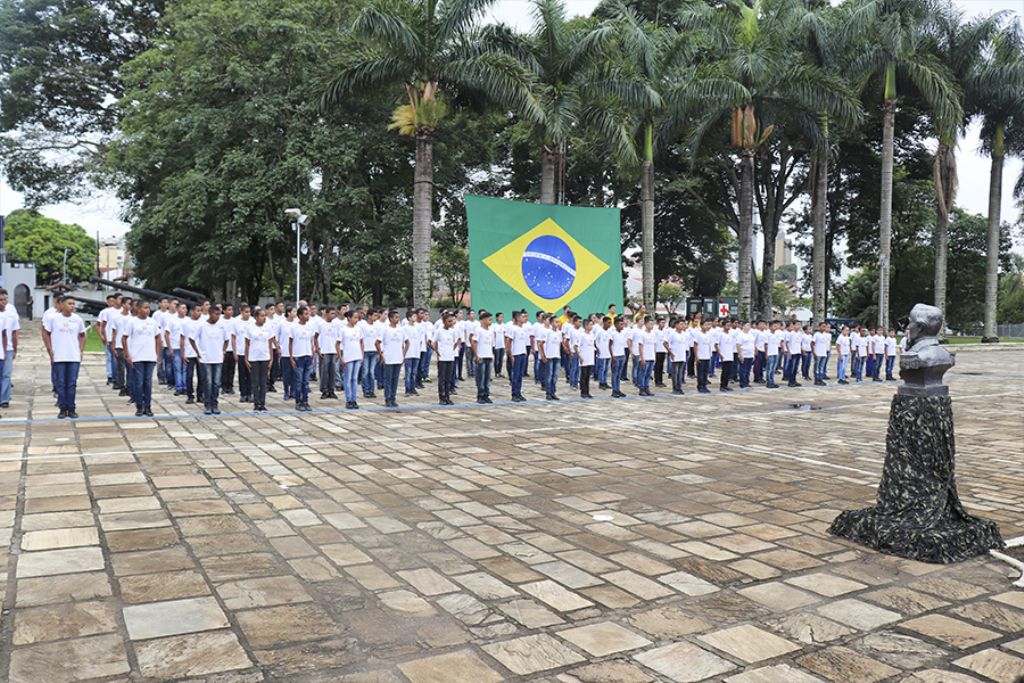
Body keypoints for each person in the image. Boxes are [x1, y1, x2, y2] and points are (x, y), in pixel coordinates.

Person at [40, 296, 85, 419]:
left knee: (71, 383)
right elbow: (46, 333)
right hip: (59, 356)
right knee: (60, 383)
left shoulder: (77, 319)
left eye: (73, 304)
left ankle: (71, 408)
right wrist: (50, 349)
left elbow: (82, 335)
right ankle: (62, 408)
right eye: (69, 303)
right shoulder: (54, 319)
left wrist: (80, 350)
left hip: (73, 356)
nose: (72, 306)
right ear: (62, 305)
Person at [123, 301, 162, 417]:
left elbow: (158, 337)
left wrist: (157, 354)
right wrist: (127, 355)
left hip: (150, 356)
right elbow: (124, 338)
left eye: (148, 308)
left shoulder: (153, 322)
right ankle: (139, 406)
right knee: (139, 382)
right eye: (145, 307)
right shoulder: (132, 322)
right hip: (137, 357)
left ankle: (148, 406)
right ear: (139, 309)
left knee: (148, 382)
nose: (147, 310)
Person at [191, 305, 230, 415]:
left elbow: (227, 339)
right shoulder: (202, 325)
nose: (218, 316)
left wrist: (223, 351)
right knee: (208, 382)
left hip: (218, 358)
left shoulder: (222, 326)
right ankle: (207, 405)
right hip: (206, 358)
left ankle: (215, 404)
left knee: (216, 382)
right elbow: (192, 339)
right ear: (210, 313)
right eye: (216, 314)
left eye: (219, 314)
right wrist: (198, 353)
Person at [244, 307, 276, 412]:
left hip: (265, 357)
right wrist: (246, 358)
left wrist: (271, 358)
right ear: (256, 317)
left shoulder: (268, 328)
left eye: (264, 316)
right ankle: (256, 403)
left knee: (263, 382)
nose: (264, 318)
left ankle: (262, 403)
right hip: (254, 357)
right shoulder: (250, 328)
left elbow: (270, 343)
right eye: (262, 316)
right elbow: (247, 344)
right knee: (255, 382)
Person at [290, 306, 316, 411]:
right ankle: (298, 401)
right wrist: (291, 357)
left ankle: (305, 400)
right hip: (298, 356)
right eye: (305, 314)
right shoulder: (294, 327)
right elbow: (290, 343)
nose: (307, 316)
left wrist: (312, 356)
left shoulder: (310, 327)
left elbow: (312, 342)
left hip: (308, 356)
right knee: (298, 380)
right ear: (300, 315)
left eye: (308, 314)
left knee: (306, 381)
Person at [377, 309, 406, 408]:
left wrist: (404, 355)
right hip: (388, 357)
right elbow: (377, 342)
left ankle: (393, 398)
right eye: (395, 317)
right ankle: (387, 399)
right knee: (388, 379)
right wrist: (381, 355)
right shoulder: (385, 329)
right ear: (390, 319)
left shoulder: (401, 329)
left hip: (398, 357)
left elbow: (406, 342)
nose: (397, 319)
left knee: (395, 379)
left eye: (398, 317)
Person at [338, 310, 364, 409]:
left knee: (354, 379)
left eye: (357, 318)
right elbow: (338, 343)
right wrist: (341, 357)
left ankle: (354, 399)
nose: (356, 320)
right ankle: (348, 399)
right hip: (348, 357)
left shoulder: (359, 329)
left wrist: (361, 354)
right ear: (349, 318)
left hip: (357, 356)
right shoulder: (343, 329)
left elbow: (361, 342)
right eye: (354, 317)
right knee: (347, 379)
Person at [506, 310, 530, 402]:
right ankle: (514, 394)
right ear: (517, 318)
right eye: (522, 317)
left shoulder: (523, 329)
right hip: (516, 354)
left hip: (522, 354)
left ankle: (519, 393)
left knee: (520, 375)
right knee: (515, 375)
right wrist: (510, 354)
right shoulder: (513, 329)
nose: (524, 319)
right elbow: (509, 342)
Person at [434, 312, 458, 405]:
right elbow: (433, 342)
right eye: (449, 321)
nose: (451, 323)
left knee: (448, 379)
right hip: (442, 358)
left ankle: (448, 396)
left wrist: (452, 350)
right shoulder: (439, 331)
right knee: (442, 379)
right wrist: (437, 351)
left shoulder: (452, 331)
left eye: (452, 321)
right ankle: (442, 397)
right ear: (444, 322)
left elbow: (456, 341)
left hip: (450, 357)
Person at [471, 311, 495, 404]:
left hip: (488, 355)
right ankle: (480, 395)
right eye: (489, 319)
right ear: (484, 320)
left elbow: (491, 344)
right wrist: (476, 355)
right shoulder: (478, 330)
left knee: (487, 377)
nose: (491, 321)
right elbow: (474, 342)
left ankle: (486, 395)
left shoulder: (490, 331)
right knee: (481, 377)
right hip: (481, 356)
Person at [0, 289, 19, 408]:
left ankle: (4, 399)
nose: (3, 302)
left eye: (5, 299)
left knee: (6, 374)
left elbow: (14, 332)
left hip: (8, 348)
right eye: (1, 300)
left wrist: (15, 347)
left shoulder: (11, 313)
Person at [97, 293, 119, 387]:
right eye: (110, 301)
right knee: (110, 357)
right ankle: (110, 375)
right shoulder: (105, 312)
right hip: (108, 337)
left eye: (113, 301)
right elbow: (99, 325)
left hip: (117, 338)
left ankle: (117, 376)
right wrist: (102, 336)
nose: (112, 303)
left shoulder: (120, 311)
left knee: (116, 359)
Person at [233, 304, 253, 402]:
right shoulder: (236, 321)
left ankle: (250, 393)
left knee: (250, 373)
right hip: (241, 351)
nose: (248, 314)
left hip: (251, 353)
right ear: (241, 312)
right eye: (246, 312)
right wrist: (234, 351)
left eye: (249, 312)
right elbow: (233, 337)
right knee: (242, 374)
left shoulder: (253, 321)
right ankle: (243, 393)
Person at [666, 318, 688, 395]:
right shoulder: (672, 334)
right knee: (675, 373)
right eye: (681, 324)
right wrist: (670, 352)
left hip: (682, 355)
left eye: (683, 324)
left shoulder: (684, 334)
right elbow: (665, 343)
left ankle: (680, 387)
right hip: (675, 355)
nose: (682, 326)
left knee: (680, 373)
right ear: (676, 325)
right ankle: (675, 388)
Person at [576, 318, 596, 399]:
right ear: (586, 326)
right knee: (583, 375)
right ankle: (583, 391)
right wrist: (579, 356)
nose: (592, 326)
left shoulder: (592, 335)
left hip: (590, 357)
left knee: (588, 375)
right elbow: (576, 346)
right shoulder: (581, 335)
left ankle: (587, 391)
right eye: (590, 324)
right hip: (584, 357)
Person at [636, 317, 657, 396]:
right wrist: (642, 358)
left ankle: (646, 388)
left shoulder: (653, 334)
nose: (652, 325)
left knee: (648, 374)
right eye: (650, 324)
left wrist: (654, 356)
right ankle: (641, 389)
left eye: (653, 324)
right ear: (646, 324)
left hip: (651, 357)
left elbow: (654, 346)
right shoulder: (642, 334)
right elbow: (640, 346)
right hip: (645, 357)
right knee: (643, 373)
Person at [607, 316, 627, 398]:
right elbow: (610, 345)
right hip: (615, 356)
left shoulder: (623, 333)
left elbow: (622, 345)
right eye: (620, 324)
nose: (622, 326)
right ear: (616, 325)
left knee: (619, 374)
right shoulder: (613, 333)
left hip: (621, 355)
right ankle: (614, 390)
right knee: (615, 374)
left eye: (623, 324)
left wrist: (624, 355)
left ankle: (618, 389)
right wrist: (612, 356)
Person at [402, 309, 420, 396]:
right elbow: (404, 341)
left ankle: (413, 388)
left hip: (416, 352)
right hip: (408, 353)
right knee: (408, 372)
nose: (415, 318)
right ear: (409, 318)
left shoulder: (417, 327)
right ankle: (407, 389)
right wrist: (403, 353)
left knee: (414, 372)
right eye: (414, 316)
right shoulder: (404, 328)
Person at [220, 304, 236, 394]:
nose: (231, 311)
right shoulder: (220, 321)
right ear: (224, 311)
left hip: (232, 348)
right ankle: (223, 386)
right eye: (229, 309)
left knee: (231, 368)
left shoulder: (234, 321)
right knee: (224, 369)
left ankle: (230, 386)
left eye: (232, 309)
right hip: (223, 348)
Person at [717, 322, 736, 392]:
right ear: (723, 326)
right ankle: (722, 385)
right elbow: (716, 344)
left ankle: (726, 385)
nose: (729, 327)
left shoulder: (730, 335)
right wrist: (720, 354)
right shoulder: (721, 334)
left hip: (730, 355)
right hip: (724, 355)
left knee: (729, 371)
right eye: (727, 325)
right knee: (724, 371)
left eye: (729, 325)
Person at [737, 322, 756, 389]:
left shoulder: (751, 335)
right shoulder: (740, 335)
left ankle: (747, 382)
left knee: (748, 370)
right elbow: (738, 345)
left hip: (750, 354)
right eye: (747, 325)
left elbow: (753, 344)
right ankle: (743, 382)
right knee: (743, 369)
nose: (749, 326)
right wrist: (740, 354)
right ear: (743, 326)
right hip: (744, 354)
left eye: (749, 325)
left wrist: (753, 354)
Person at [764, 321, 782, 389]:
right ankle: (769, 382)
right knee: (770, 368)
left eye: (776, 326)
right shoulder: (768, 335)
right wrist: (766, 353)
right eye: (774, 326)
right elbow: (766, 345)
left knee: (773, 368)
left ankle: (772, 381)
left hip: (775, 352)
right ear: (770, 327)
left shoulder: (776, 335)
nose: (775, 327)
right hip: (770, 353)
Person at [492, 312, 505, 378]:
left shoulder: (503, 325)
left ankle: (499, 372)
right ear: (497, 318)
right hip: (496, 345)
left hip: (502, 345)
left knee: (501, 359)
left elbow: (505, 335)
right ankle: (496, 372)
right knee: (496, 359)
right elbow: (493, 335)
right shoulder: (494, 325)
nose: (501, 318)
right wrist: (494, 344)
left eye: (502, 317)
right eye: (500, 317)